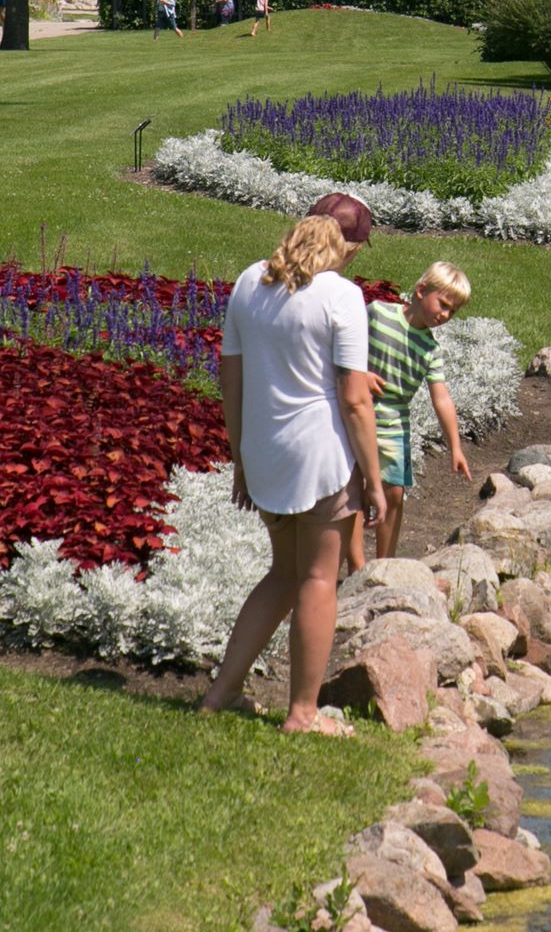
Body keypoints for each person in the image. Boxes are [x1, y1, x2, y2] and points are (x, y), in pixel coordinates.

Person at [201, 193, 385, 734]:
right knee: (316, 579)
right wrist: (373, 481)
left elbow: (230, 381)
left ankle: (221, 693)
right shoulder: (341, 295)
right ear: (349, 247)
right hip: (321, 458)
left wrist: (240, 457)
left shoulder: (249, 281)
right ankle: (303, 714)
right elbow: (354, 399)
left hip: (264, 451)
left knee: (282, 573)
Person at [347, 260, 472, 573]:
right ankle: (356, 564)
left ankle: (384, 565)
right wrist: (359, 374)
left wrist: (455, 445)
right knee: (352, 489)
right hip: (357, 410)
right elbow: (344, 346)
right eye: (443, 304)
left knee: (394, 494)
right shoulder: (378, 314)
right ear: (420, 291)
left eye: (452, 312)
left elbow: (440, 398)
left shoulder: (430, 350)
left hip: (394, 422)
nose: (444, 315)